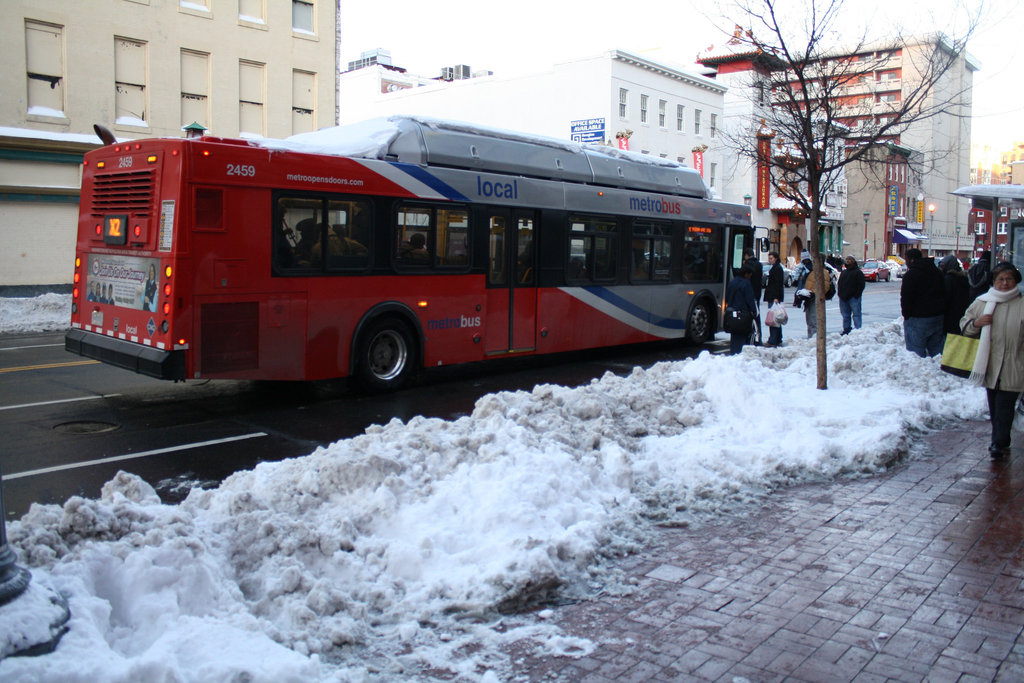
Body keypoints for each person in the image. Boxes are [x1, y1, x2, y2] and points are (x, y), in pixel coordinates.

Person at [959, 262, 1024, 459]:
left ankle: (998, 442)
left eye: (1009, 279)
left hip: (1015, 364)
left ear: (1016, 281)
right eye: (1000, 280)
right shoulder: (982, 302)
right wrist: (976, 323)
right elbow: (964, 324)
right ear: (994, 282)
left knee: (1005, 405)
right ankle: (1001, 438)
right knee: (995, 405)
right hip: (989, 365)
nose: (1005, 283)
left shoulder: (1021, 303)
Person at [900, 248, 945, 357]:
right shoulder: (937, 272)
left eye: (906, 259)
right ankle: (937, 373)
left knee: (915, 356)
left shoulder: (911, 275)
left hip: (917, 319)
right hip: (938, 317)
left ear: (911, 260)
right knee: (937, 354)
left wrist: (906, 316)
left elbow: (906, 298)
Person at [725, 264, 757, 355]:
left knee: (734, 336)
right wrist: (754, 312)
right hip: (743, 314)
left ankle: (734, 353)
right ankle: (740, 354)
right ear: (746, 274)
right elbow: (750, 299)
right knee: (742, 336)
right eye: (750, 275)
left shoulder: (732, 282)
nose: (750, 277)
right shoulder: (746, 284)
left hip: (732, 314)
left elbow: (727, 298)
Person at [938, 254, 970, 336]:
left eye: (943, 266)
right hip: (961, 314)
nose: (941, 268)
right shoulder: (964, 279)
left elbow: (944, 299)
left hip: (950, 317)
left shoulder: (948, 280)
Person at [792, 250, 819, 338]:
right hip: (806, 295)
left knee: (812, 318)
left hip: (812, 294)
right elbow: (796, 281)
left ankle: (813, 337)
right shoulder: (802, 268)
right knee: (809, 318)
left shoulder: (812, 268)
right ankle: (811, 336)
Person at [837, 256, 866, 335]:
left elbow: (861, 285)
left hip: (854, 297)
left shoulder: (858, 272)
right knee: (845, 315)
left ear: (853, 261)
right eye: (847, 260)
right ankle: (846, 329)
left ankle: (858, 330)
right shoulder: (844, 273)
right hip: (843, 298)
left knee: (856, 314)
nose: (848, 261)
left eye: (850, 259)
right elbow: (839, 284)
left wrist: (857, 294)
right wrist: (840, 294)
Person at [763, 251, 785, 347]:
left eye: (771, 258)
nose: (769, 260)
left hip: (774, 296)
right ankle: (778, 338)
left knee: (773, 319)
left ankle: (773, 339)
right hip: (773, 295)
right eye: (769, 258)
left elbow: (777, 284)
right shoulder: (776, 267)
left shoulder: (777, 268)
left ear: (776, 258)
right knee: (776, 318)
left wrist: (776, 297)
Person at [742, 248, 763, 344]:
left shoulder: (747, 265)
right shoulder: (759, 264)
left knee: (748, 315)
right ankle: (758, 336)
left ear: (747, 255)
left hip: (749, 293)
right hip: (757, 293)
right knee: (756, 315)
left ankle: (749, 335)